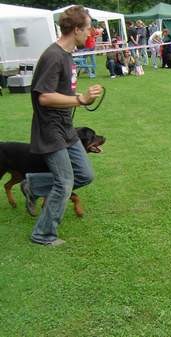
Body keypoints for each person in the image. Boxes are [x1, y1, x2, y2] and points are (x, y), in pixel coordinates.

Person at [20, 5, 103, 246]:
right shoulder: (53, 56)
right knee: (65, 182)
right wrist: (81, 99)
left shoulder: (67, 55)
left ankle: (33, 185)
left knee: (85, 175)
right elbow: (44, 97)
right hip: (50, 130)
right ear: (76, 29)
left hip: (66, 128)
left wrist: (84, 97)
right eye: (88, 29)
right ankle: (43, 234)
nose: (90, 33)